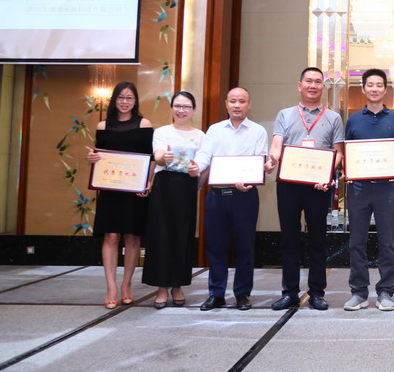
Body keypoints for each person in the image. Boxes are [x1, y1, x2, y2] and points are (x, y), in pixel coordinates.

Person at [265, 67, 344, 312]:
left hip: (318, 186)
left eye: (318, 82)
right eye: (308, 81)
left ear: (323, 87)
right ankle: (289, 293)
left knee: (318, 239)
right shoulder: (285, 114)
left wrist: (328, 173)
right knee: (289, 238)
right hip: (289, 184)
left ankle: (317, 293)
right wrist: (272, 159)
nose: (313, 85)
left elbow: (339, 152)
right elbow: (277, 144)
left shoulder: (333, 118)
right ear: (299, 85)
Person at [193, 87, 269, 312]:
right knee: (215, 247)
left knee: (245, 246)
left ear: (249, 104)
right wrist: (195, 167)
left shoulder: (258, 131)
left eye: (242, 101)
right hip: (217, 196)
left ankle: (242, 294)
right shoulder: (214, 130)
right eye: (233, 101)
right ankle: (216, 293)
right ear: (226, 104)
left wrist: (251, 178)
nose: (237, 105)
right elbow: (204, 156)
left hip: (245, 196)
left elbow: (260, 159)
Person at [343, 69, 394, 311]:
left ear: (385, 89)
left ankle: (385, 292)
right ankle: (359, 292)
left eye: (379, 85)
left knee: (387, 242)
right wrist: (347, 169)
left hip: (387, 189)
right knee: (356, 242)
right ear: (363, 88)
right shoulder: (353, 120)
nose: (374, 89)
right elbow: (347, 154)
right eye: (370, 84)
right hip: (358, 189)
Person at [86, 82, 154, 309]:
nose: (125, 102)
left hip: (135, 190)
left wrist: (148, 182)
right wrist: (93, 159)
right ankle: (111, 287)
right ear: (114, 100)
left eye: (129, 98)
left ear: (135, 101)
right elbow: (100, 156)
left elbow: (151, 158)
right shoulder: (103, 125)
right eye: (121, 97)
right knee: (111, 237)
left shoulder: (144, 124)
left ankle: (126, 284)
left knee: (132, 237)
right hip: (111, 189)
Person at [142, 91, 204, 308]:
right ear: (171, 108)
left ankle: (177, 286)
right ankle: (161, 288)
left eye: (186, 106)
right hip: (164, 186)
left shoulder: (200, 135)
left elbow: (204, 164)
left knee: (182, 236)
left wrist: (197, 175)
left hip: (187, 187)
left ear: (193, 110)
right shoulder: (162, 132)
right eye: (177, 106)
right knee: (161, 236)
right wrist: (163, 157)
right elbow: (157, 155)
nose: (181, 110)